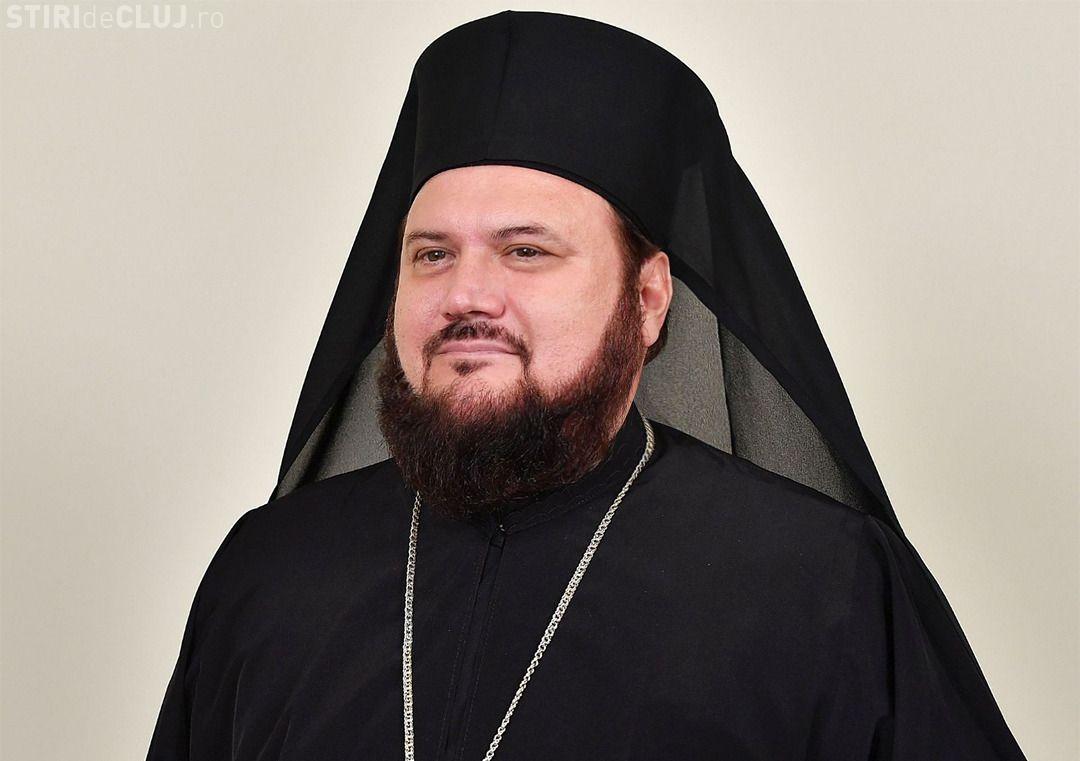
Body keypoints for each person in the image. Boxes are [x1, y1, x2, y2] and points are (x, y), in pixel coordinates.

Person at [146, 10, 1028, 760]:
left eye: (527, 250)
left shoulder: (824, 587)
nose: (467, 295)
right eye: (432, 254)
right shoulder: (266, 573)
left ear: (648, 300)